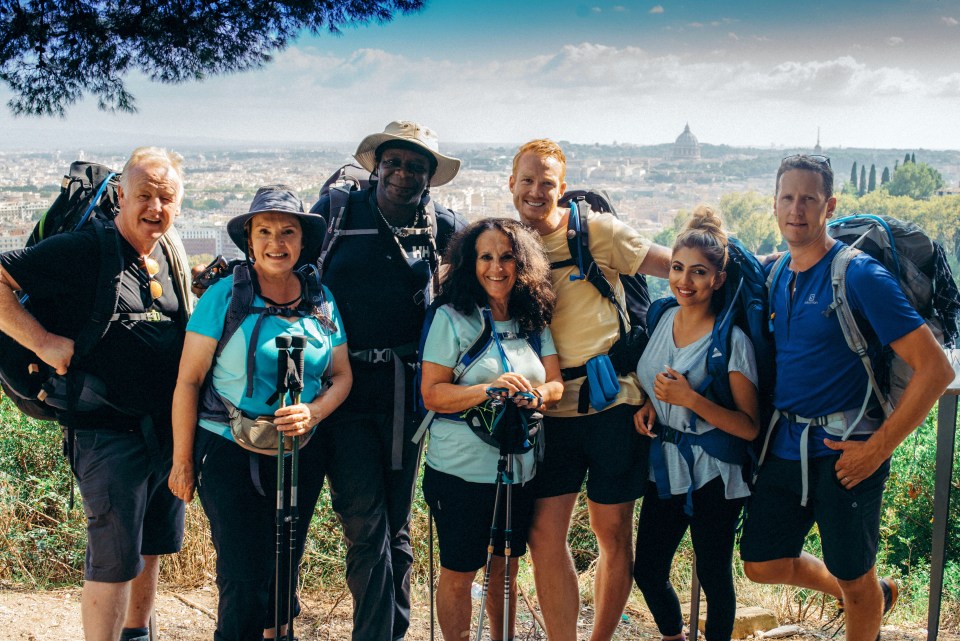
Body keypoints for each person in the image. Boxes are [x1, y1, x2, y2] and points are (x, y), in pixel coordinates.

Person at [739, 154, 954, 641]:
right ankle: (876, 593)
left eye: (809, 199)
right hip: (785, 447)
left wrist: (878, 449)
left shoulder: (859, 276)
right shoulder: (776, 276)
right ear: (774, 205)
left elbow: (936, 369)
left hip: (848, 449)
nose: (797, 209)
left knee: (854, 580)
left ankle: (866, 597)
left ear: (829, 205)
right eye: (788, 198)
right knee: (761, 563)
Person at [0, 147, 193, 641]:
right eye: (144, 195)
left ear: (179, 203)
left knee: (151, 546)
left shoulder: (168, 255)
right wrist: (40, 341)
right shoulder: (87, 250)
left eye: (165, 197)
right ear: (120, 196)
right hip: (106, 433)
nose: (155, 207)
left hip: (164, 432)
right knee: (112, 556)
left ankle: (137, 635)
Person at [168, 185, 352, 641]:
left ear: (302, 241)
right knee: (242, 570)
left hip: (299, 450)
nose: (276, 242)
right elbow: (188, 381)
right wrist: (183, 460)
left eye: (288, 231)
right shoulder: (225, 298)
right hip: (229, 448)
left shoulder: (320, 298)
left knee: (286, 562)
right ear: (249, 241)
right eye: (265, 231)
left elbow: (342, 375)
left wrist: (314, 411)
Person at [307, 120, 466, 640]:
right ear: (376, 165)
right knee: (364, 520)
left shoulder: (442, 226)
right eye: (393, 162)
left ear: (430, 175)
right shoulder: (337, 212)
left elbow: (474, 291)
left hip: (408, 393)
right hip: (343, 387)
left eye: (415, 165)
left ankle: (388, 632)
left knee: (395, 522)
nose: (401, 173)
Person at [507, 139, 671, 641]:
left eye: (547, 183)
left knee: (613, 535)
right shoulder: (507, 244)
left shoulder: (595, 232)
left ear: (562, 186)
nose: (537, 192)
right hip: (550, 410)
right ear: (511, 184)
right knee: (542, 535)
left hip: (612, 405)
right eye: (528, 181)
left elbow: (677, 271)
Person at [420, 218, 564, 641]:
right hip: (460, 472)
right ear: (471, 263)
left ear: (523, 265)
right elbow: (433, 394)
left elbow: (555, 383)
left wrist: (537, 396)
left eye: (507, 257)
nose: (496, 268)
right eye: (486, 257)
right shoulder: (451, 318)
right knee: (460, 572)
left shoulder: (532, 319)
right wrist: (488, 390)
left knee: (505, 570)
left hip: (519, 469)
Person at [632, 206, 759, 641]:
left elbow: (748, 426)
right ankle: (673, 635)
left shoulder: (731, 342)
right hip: (664, 464)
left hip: (714, 472)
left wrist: (691, 399)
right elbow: (654, 377)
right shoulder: (663, 317)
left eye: (700, 272)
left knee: (712, 575)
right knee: (647, 570)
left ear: (718, 280)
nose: (685, 281)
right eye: (678, 268)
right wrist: (651, 404)